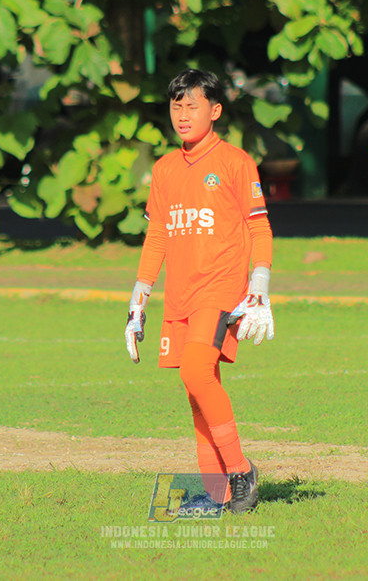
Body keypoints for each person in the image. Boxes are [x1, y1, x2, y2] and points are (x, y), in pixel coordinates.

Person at [124, 68, 275, 514]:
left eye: (192, 105)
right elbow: (158, 238)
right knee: (196, 391)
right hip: (181, 295)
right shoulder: (165, 169)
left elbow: (259, 225)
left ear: (215, 110)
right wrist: (140, 298)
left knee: (195, 370)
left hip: (221, 290)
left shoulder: (234, 162)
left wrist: (260, 285)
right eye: (176, 105)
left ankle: (241, 469)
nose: (183, 114)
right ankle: (218, 496)